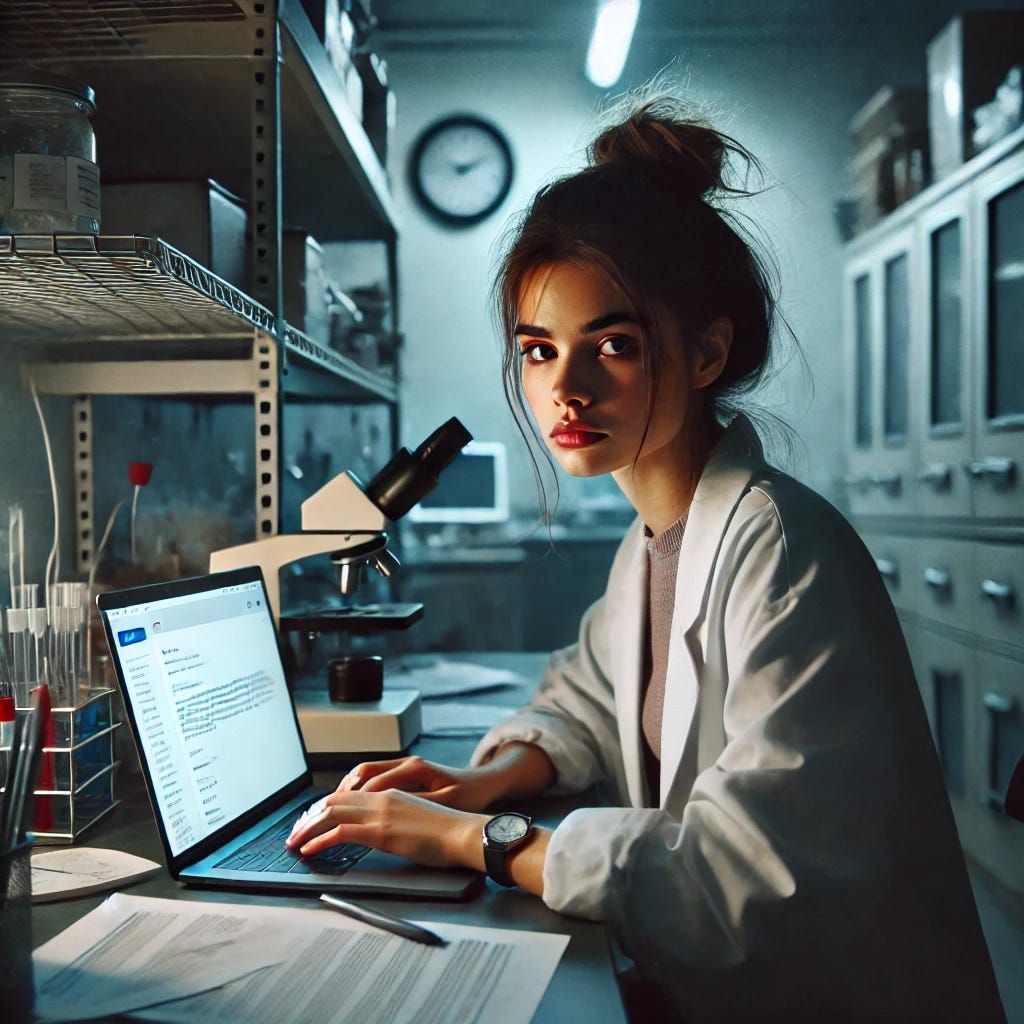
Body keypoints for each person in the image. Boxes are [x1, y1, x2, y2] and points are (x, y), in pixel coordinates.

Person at [287, 97, 1005, 1021]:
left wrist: (480, 838)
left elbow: (743, 876)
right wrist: (485, 779)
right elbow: (590, 700)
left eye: (613, 346)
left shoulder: (781, 554)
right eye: (539, 351)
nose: (565, 389)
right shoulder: (652, 542)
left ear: (707, 351)